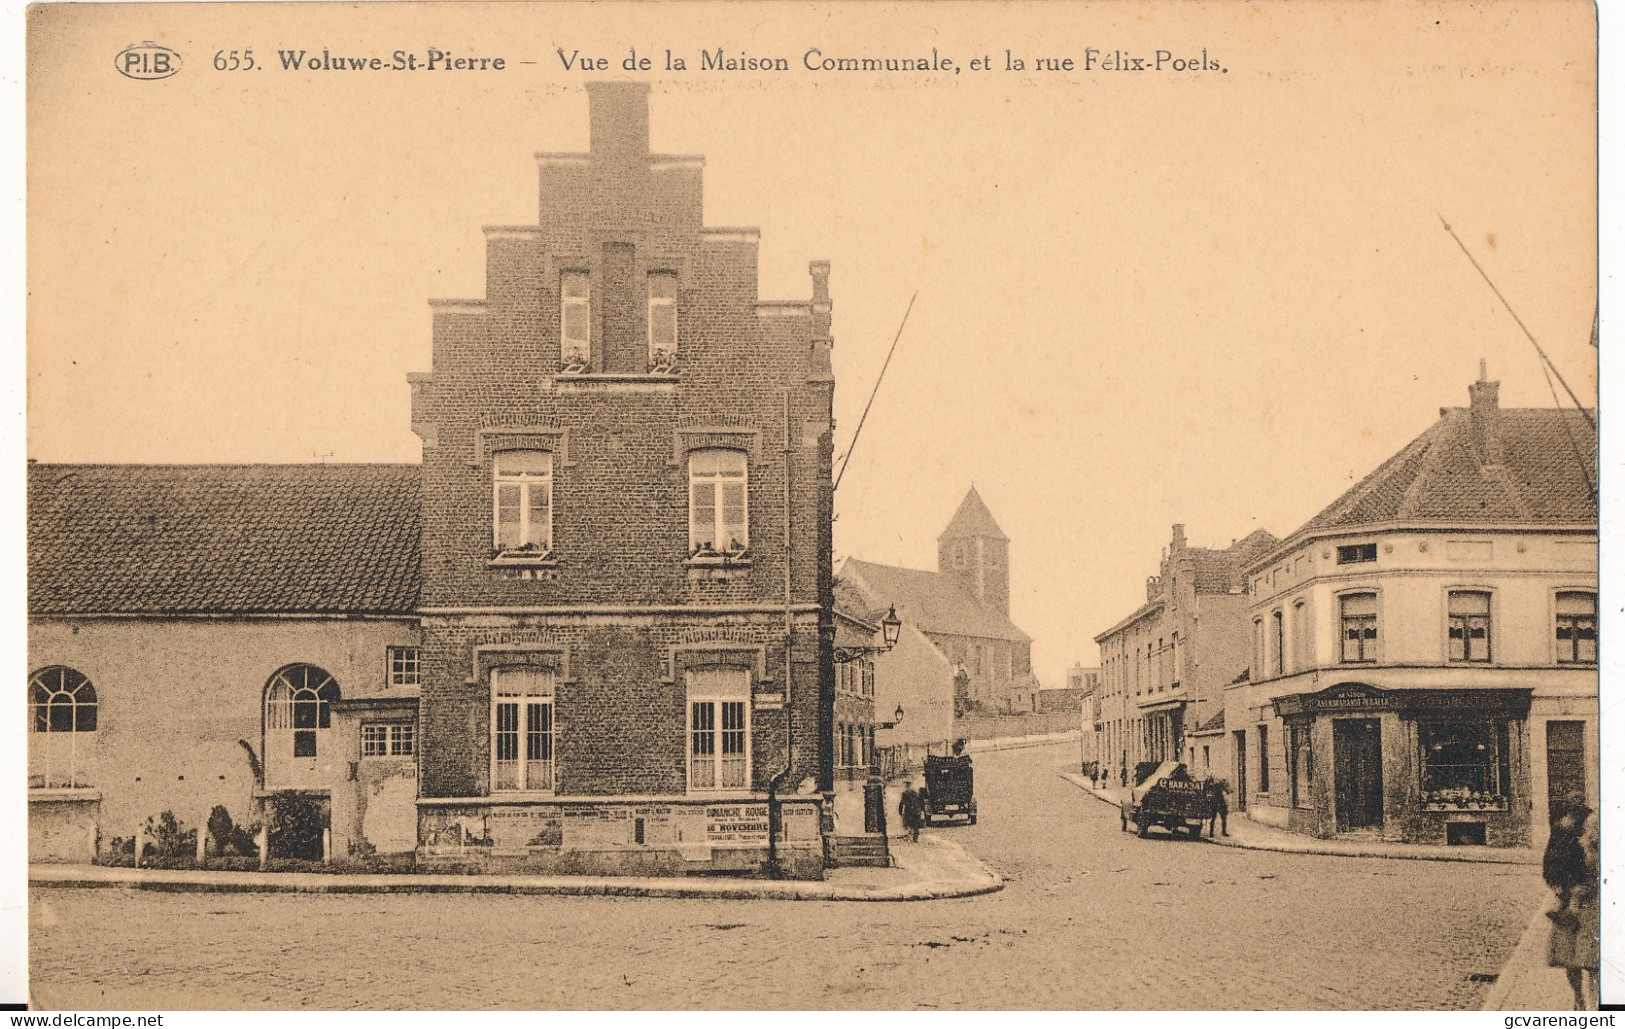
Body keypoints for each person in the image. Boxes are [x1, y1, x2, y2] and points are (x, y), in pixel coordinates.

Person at [1544, 801, 1600, 1010]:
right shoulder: (1568, 842)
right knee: (1569, 958)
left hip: (1592, 909)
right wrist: (1562, 888)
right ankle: (1578, 998)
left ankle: (1594, 1006)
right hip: (1569, 906)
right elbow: (1551, 869)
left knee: (1593, 962)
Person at [898, 778, 926, 843]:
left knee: (909, 824)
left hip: (909, 811)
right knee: (915, 825)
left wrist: (900, 811)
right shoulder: (915, 792)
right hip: (916, 810)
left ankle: (911, 837)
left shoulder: (904, 793)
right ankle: (915, 838)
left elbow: (902, 803)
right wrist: (921, 809)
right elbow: (920, 801)